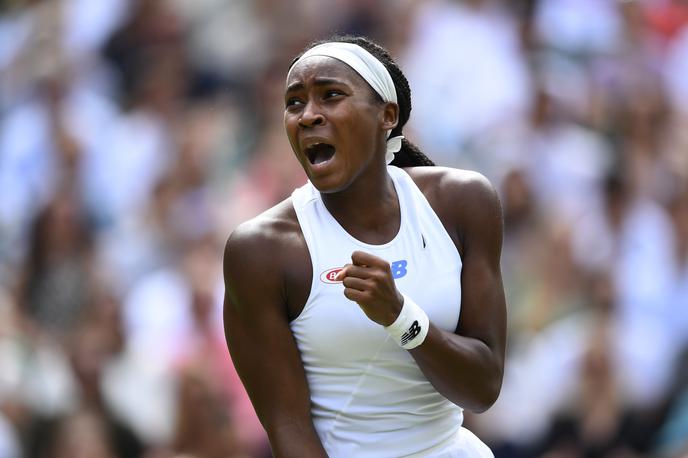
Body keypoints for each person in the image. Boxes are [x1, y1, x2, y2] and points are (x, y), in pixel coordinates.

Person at [223, 35, 506, 457]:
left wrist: (401, 318)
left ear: (386, 115)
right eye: (295, 103)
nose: (307, 116)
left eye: (330, 96)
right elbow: (289, 428)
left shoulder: (464, 202)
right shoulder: (261, 250)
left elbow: (482, 388)